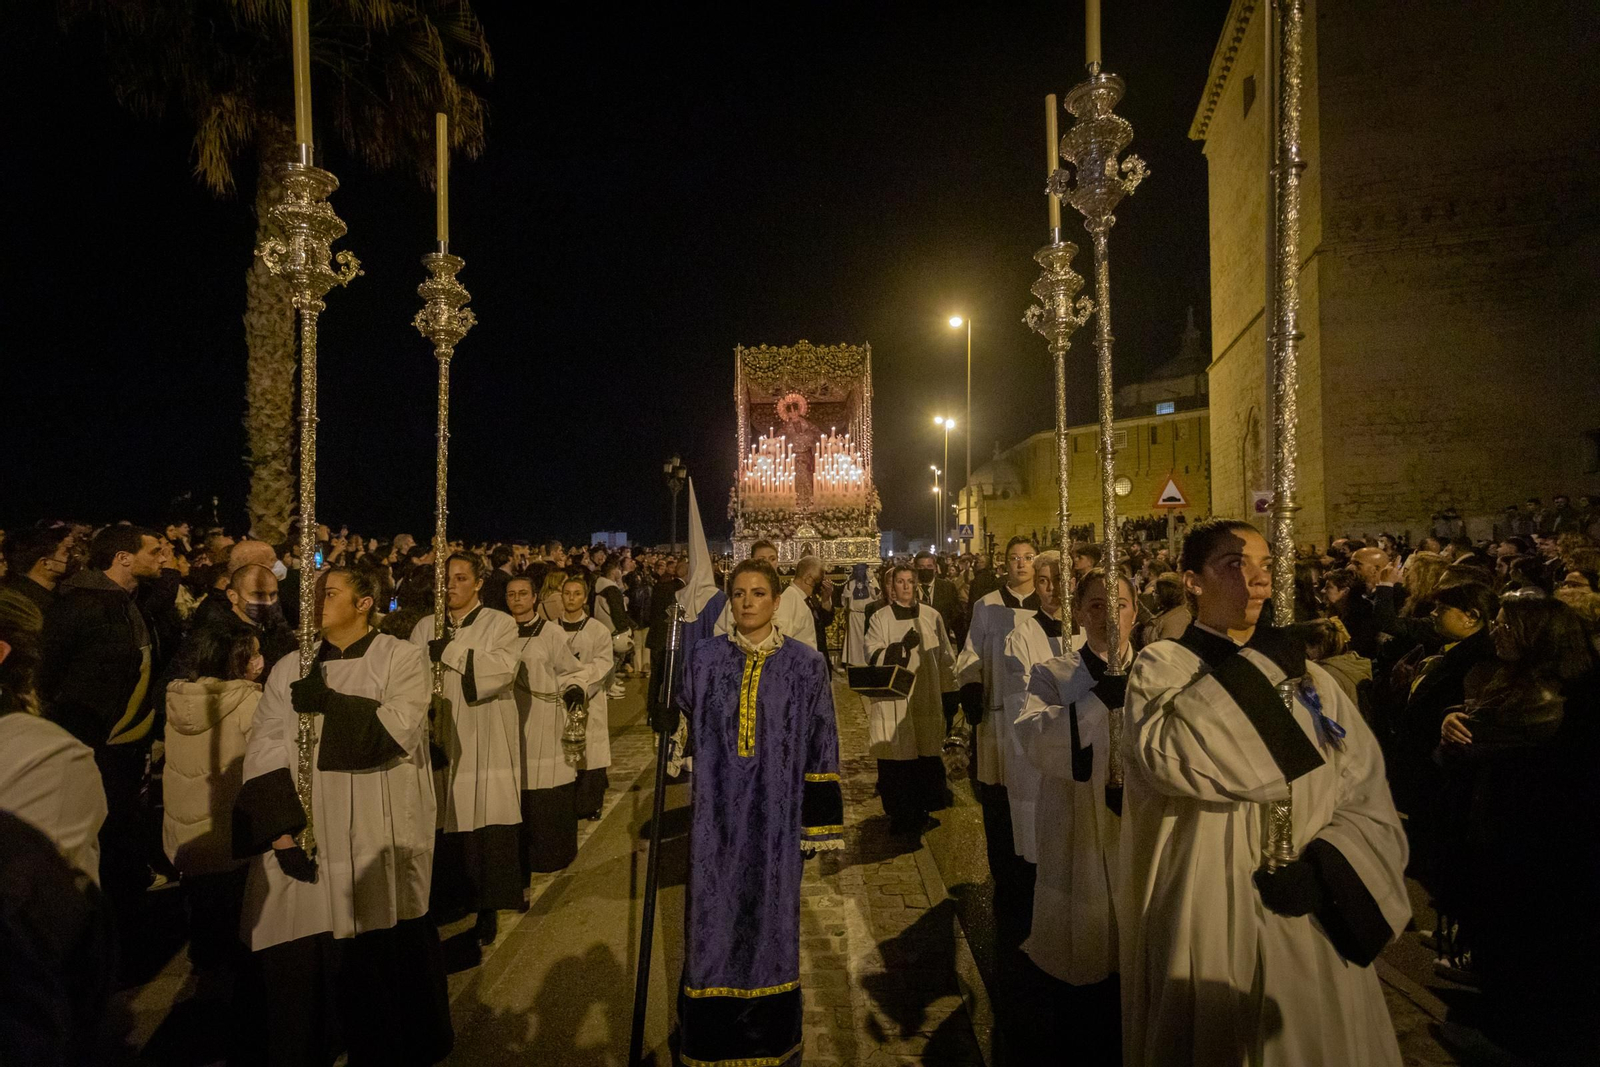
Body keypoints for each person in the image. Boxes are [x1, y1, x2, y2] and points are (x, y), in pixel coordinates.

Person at [1120, 517, 1409, 1066]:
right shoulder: (1164, 668)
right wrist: (1260, 665)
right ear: (1193, 582)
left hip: (1310, 908)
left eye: (1265, 566)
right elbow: (1173, 758)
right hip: (1214, 898)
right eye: (1235, 565)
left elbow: (1362, 782)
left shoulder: (1313, 681)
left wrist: (1328, 866)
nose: (1258, 580)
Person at [233, 567, 452, 1067]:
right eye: (313, 594)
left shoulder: (401, 658)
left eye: (329, 594)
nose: (316, 603)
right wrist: (280, 832)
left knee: (377, 943)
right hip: (308, 829)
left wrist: (330, 703)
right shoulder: (290, 666)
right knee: (299, 944)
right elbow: (264, 744)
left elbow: (397, 730)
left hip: (379, 823)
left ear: (364, 603)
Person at [673, 558, 842, 1067]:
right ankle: (709, 1038)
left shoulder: (805, 665)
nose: (748, 602)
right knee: (712, 919)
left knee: (769, 922)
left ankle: (769, 1038)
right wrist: (670, 722)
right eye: (739, 593)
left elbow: (822, 741)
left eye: (758, 593)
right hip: (715, 822)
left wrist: (816, 823)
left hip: (775, 820)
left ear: (775, 601)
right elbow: (681, 717)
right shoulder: (703, 659)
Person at [1011, 567, 1134, 1059]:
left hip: (1134, 827)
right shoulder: (1055, 672)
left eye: (1120, 604)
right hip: (1076, 822)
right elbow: (1034, 738)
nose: (1110, 616)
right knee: (1080, 948)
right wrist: (1090, 707)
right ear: (1080, 613)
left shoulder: (1155, 671)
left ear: (1136, 611)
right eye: (1098, 605)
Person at [40, 525, 167, 922]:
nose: (164, 558)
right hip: (96, 739)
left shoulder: (131, 602)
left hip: (128, 741)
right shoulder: (81, 605)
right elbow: (49, 669)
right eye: (155, 551)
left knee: (124, 822)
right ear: (123, 558)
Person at [410, 553, 523, 946]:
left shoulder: (500, 623)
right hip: (438, 737)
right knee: (442, 817)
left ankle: (487, 907)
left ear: (478, 583)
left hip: (483, 735)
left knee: (483, 816)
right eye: (446, 579)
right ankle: (448, 902)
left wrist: (451, 651)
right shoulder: (425, 626)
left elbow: (502, 671)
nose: (451, 585)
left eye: (460, 578)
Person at [162, 624, 262, 980]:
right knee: (235, 918)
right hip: (231, 832)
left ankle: (205, 974)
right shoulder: (249, 701)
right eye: (254, 653)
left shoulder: (179, 702)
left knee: (202, 913)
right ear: (239, 661)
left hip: (188, 834)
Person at [955, 535, 1040, 938]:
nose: (1021, 564)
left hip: (1038, 723)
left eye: (1028, 557)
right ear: (1003, 563)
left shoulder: (1051, 607)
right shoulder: (986, 606)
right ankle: (1005, 877)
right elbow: (970, 652)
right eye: (1014, 558)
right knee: (999, 803)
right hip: (996, 720)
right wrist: (970, 684)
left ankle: (1038, 874)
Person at [864, 564, 957, 836]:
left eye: (909, 581)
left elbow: (945, 657)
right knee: (897, 757)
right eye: (900, 582)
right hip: (894, 701)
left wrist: (950, 690)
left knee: (925, 755)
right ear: (891, 587)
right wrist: (901, 647)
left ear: (916, 584)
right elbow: (871, 653)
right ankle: (899, 813)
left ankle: (923, 809)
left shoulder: (931, 616)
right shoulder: (881, 618)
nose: (905, 586)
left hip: (926, 697)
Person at [505, 575, 585, 875]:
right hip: (510, 720)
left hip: (544, 718)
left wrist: (574, 688)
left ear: (535, 597)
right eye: (511, 594)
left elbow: (570, 671)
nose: (516, 599)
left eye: (523, 593)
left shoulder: (551, 633)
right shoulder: (500, 633)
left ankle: (552, 854)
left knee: (547, 788)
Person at [556, 575, 616, 820]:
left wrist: (579, 681)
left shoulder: (597, 630)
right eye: (567, 593)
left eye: (576, 593)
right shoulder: (551, 629)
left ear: (584, 597)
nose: (571, 598)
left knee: (591, 750)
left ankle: (591, 803)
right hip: (559, 698)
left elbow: (604, 662)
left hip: (589, 696)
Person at [1, 525, 73, 615]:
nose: (70, 556)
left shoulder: (10, 592)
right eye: (64, 553)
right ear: (46, 563)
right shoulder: (40, 608)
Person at [914, 550, 964, 645]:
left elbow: (957, 620)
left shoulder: (947, 588)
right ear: (915, 568)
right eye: (921, 567)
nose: (925, 570)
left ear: (935, 568)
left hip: (941, 643)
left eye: (929, 566)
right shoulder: (909, 588)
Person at [790, 555, 834, 658]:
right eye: (819, 580)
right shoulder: (790, 598)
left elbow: (824, 622)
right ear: (809, 579)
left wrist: (826, 600)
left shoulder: (810, 597)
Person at [843, 563, 876, 666]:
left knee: (867, 639)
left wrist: (870, 583)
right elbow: (844, 601)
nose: (860, 573)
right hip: (855, 615)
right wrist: (846, 595)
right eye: (858, 570)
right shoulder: (851, 583)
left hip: (868, 615)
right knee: (854, 641)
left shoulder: (872, 581)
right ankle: (854, 661)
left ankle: (867, 661)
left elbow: (877, 596)